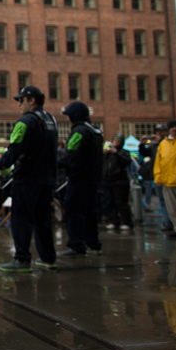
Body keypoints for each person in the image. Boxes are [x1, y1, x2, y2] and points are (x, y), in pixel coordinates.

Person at [0, 86, 57, 272]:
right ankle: (48, 258)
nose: (18, 105)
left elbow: (14, 149)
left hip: (27, 179)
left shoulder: (26, 121)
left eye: (21, 100)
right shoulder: (51, 120)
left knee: (21, 219)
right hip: (47, 179)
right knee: (43, 219)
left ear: (31, 100)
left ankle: (22, 259)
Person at [56, 102, 104, 256]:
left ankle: (76, 244)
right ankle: (93, 243)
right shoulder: (95, 130)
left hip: (79, 178)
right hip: (93, 178)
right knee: (90, 211)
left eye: (69, 115)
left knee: (73, 211)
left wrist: (53, 165)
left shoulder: (79, 131)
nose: (68, 118)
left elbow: (71, 154)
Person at [102, 134, 134, 231]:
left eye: (118, 140)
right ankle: (114, 221)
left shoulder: (124, 152)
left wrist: (116, 153)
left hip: (120, 181)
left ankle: (127, 222)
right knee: (110, 202)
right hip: (108, 181)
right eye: (114, 140)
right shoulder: (108, 153)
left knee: (122, 203)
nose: (116, 142)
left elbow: (126, 161)